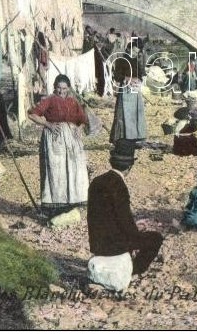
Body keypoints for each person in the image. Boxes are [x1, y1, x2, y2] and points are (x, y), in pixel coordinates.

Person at [87, 146, 163, 275]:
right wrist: (136, 233)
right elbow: (124, 220)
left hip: (96, 243)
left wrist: (135, 227)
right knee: (156, 238)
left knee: (136, 233)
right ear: (129, 167)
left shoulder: (97, 181)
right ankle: (135, 270)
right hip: (114, 245)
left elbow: (99, 215)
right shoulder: (119, 185)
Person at [28, 74, 89, 217]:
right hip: (55, 140)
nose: (61, 91)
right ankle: (54, 204)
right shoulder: (49, 100)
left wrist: (78, 129)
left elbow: (83, 119)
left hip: (72, 142)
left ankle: (72, 201)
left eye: (64, 88)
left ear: (68, 88)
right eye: (59, 88)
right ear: (54, 87)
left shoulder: (73, 101)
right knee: (57, 171)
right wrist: (47, 124)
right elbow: (32, 114)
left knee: (74, 169)